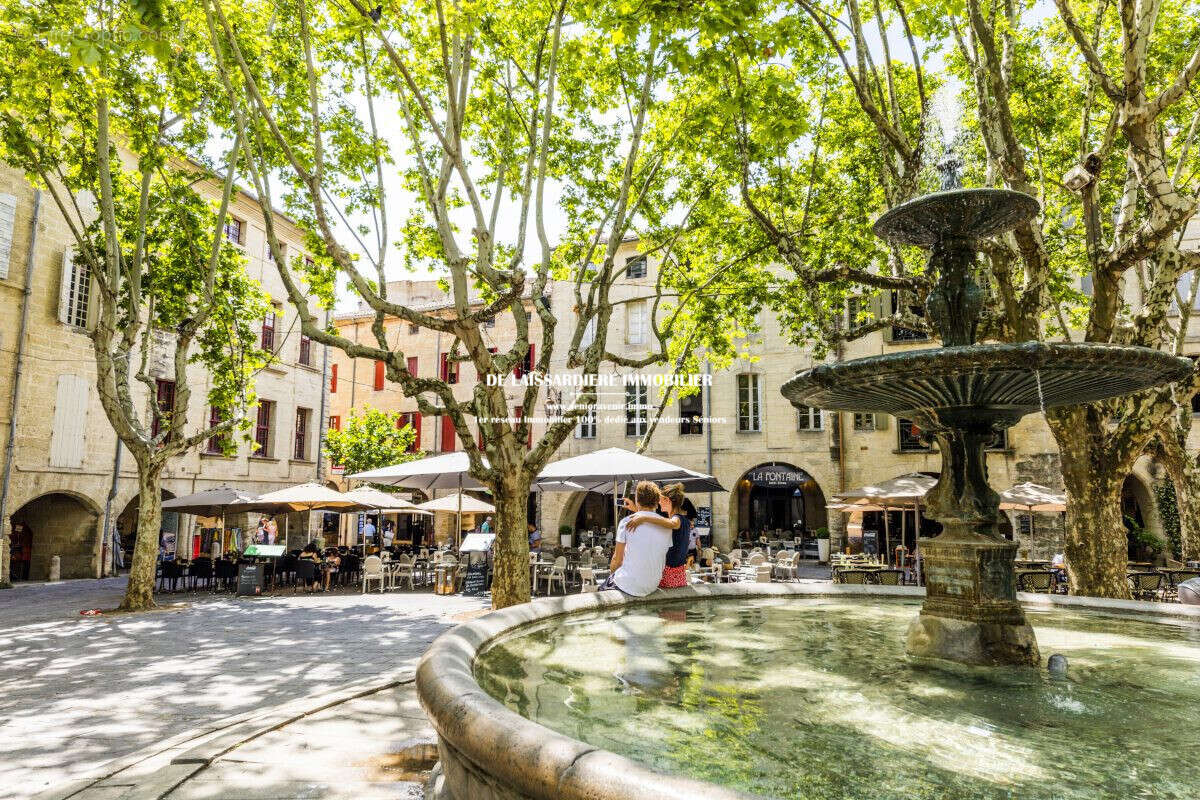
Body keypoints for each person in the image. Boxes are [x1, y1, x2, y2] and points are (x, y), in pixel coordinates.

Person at [601, 481, 674, 597]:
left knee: (601, 593)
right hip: (653, 584)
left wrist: (612, 576)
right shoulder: (666, 526)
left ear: (637, 500)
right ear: (656, 502)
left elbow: (617, 559)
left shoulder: (626, 522)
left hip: (629, 584)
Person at [628, 483, 691, 589]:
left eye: (660, 499)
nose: (658, 502)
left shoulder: (677, 519)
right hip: (679, 574)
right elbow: (662, 522)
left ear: (667, 500)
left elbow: (673, 523)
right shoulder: (685, 520)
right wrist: (636, 510)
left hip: (668, 573)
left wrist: (644, 518)